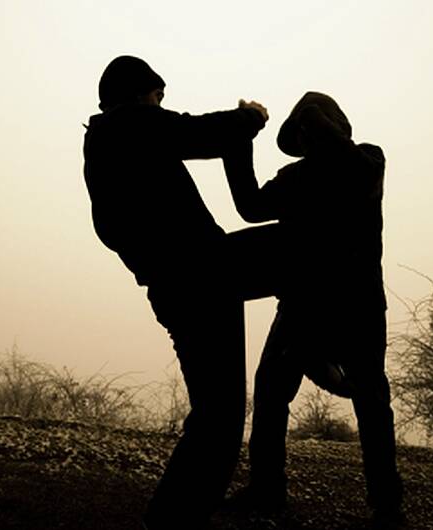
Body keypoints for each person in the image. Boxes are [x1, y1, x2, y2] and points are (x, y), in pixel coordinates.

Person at [82, 55, 268, 529]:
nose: (162, 105)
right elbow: (199, 133)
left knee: (217, 413)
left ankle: (173, 517)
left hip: (184, 282)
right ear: (139, 94)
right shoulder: (127, 129)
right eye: (158, 97)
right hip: (201, 276)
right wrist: (251, 117)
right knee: (220, 417)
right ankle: (171, 519)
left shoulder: (107, 147)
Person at [222, 91, 405, 526]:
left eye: (310, 128)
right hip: (305, 307)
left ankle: (386, 503)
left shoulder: (367, 162)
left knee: (370, 400)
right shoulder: (301, 177)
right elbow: (249, 208)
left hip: (352, 306)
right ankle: (267, 490)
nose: (306, 137)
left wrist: (309, 119)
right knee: (271, 392)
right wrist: (237, 141)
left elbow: (345, 164)